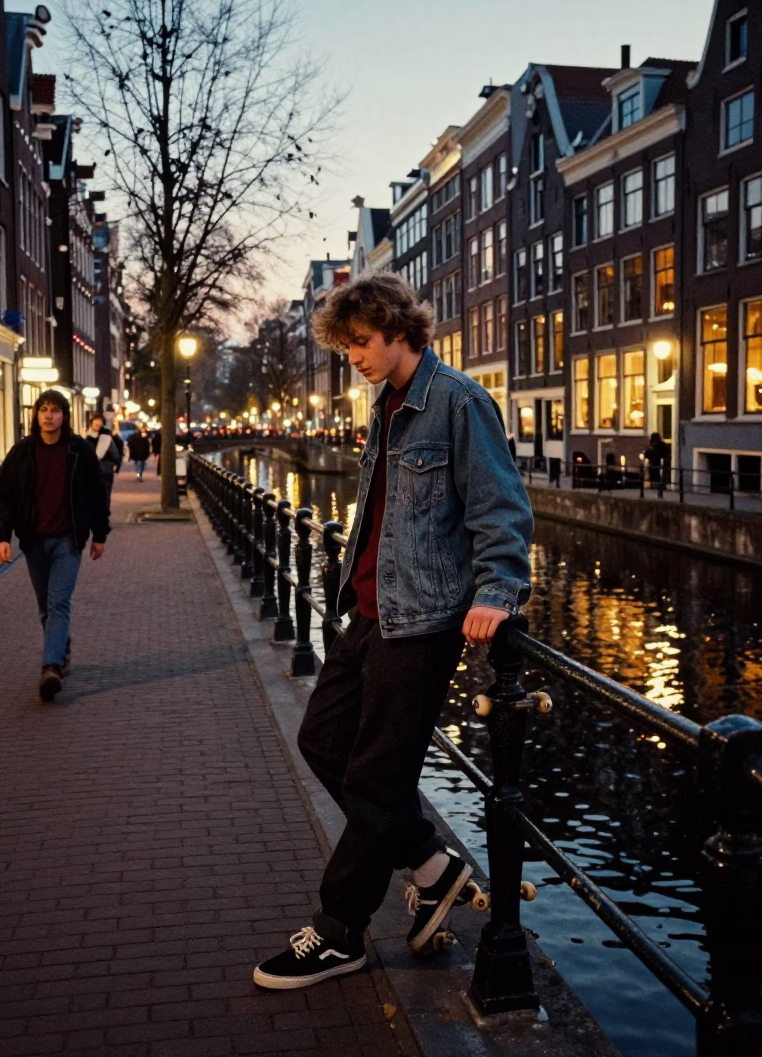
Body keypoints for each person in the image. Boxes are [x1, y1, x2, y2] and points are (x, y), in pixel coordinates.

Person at [253, 272, 533, 990]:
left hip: (426, 621)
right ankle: (435, 868)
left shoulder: (461, 402)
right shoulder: (388, 402)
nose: (354, 358)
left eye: (360, 344)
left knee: (376, 777)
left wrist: (498, 592)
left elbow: (500, 510)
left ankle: (340, 931)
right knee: (322, 739)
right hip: (372, 609)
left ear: (398, 330)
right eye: (346, 348)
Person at [0, 389, 109, 702]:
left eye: (55, 410)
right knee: (45, 606)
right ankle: (62, 648)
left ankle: (50, 667)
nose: (48, 415)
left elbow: (97, 494)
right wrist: (2, 536)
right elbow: (3, 497)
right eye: (43, 409)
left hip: (68, 540)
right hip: (34, 540)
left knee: (58, 603)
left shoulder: (79, 451)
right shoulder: (23, 452)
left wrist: (100, 534)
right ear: (35, 414)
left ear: (64, 415)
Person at [85, 412, 122, 512]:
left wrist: (114, 465)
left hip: (104, 471)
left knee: (105, 495)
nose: (97, 425)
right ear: (91, 424)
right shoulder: (86, 438)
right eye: (95, 423)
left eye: (99, 424)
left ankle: (104, 518)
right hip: (90, 471)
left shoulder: (107, 438)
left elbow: (115, 454)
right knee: (91, 496)